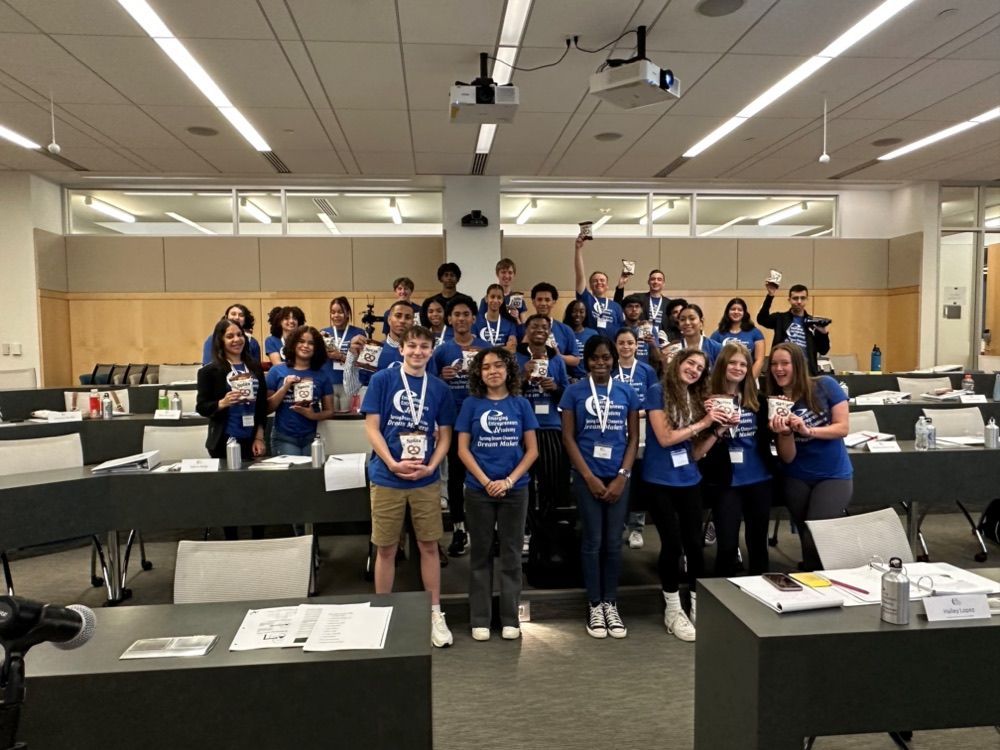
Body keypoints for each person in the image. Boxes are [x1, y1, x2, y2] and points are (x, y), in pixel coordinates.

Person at [361, 325, 456, 648]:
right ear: (401, 349)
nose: (418, 352)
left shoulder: (440, 388)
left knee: (429, 545)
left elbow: (445, 435)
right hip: (388, 476)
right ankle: (381, 612)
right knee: (386, 548)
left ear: (432, 351)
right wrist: (391, 462)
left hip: (425, 478)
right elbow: (372, 428)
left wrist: (432, 465)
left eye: (424, 347)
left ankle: (434, 612)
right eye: (412, 346)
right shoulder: (382, 381)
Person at [456, 347, 539, 641]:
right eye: (486, 366)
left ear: (508, 370)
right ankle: (480, 617)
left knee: (512, 554)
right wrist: (487, 480)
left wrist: (507, 481)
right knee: (479, 553)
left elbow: (532, 451)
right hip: (479, 490)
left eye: (498, 366)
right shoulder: (470, 405)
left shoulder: (521, 405)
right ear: (479, 372)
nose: (493, 371)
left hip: (515, 490)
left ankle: (509, 618)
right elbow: (463, 449)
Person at [560, 335, 639, 639]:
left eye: (606, 357)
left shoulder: (626, 392)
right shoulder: (573, 392)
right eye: (595, 358)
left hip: (618, 476)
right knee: (592, 540)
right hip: (586, 476)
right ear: (587, 360)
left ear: (614, 359)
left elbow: (632, 437)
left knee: (613, 542)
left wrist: (623, 475)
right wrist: (589, 477)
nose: (601, 363)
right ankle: (595, 604)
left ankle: (611, 602)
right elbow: (568, 438)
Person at [643, 348, 725, 642]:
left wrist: (717, 431)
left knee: (695, 545)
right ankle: (672, 609)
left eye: (700, 368)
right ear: (678, 362)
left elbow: (695, 454)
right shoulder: (657, 391)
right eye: (690, 363)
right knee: (672, 545)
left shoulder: (696, 398)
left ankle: (696, 604)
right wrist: (703, 423)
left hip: (689, 479)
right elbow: (665, 439)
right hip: (659, 480)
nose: (694, 369)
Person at [767, 342, 852, 570]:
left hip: (832, 476)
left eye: (785, 363)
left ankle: (822, 580)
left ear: (798, 365)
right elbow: (787, 457)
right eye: (774, 364)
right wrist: (784, 433)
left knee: (817, 533)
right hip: (796, 476)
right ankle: (812, 578)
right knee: (806, 533)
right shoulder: (775, 401)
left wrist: (808, 431)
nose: (779, 369)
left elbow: (842, 428)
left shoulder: (825, 385)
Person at [699, 343, 774, 576]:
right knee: (727, 544)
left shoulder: (759, 401)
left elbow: (769, 436)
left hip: (759, 478)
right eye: (732, 362)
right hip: (726, 480)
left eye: (743, 364)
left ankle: (763, 596)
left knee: (758, 543)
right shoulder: (706, 399)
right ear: (722, 364)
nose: (738, 368)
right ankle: (723, 600)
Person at [196, 318, 267, 540]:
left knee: (255, 494)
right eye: (230, 336)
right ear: (220, 340)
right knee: (229, 495)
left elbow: (262, 404)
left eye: (239, 335)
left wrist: (259, 436)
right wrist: (222, 403)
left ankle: (258, 540)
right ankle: (232, 541)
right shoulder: (209, 371)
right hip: (223, 441)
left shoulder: (255, 367)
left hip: (250, 439)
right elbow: (202, 407)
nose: (236, 340)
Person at [433, 298, 491, 557]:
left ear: (474, 318)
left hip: (483, 423)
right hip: (454, 423)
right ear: (449, 319)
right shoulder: (442, 351)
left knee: (485, 475)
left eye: (466, 314)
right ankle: (459, 529)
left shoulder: (486, 349)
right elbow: (430, 386)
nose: (461, 319)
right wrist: (440, 376)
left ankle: (490, 529)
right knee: (456, 480)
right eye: (456, 314)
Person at [516, 315, 571, 540]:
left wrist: (554, 387)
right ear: (527, 330)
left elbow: (566, 398)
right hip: (522, 428)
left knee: (550, 480)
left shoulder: (556, 360)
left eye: (544, 327)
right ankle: (527, 529)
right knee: (524, 481)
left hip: (549, 427)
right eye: (535, 326)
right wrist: (522, 377)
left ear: (549, 332)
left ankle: (546, 528)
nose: (540, 330)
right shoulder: (515, 358)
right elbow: (505, 393)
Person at [613, 327, 658, 551]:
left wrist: (636, 413)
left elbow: (653, 400)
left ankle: (636, 528)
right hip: (614, 425)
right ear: (616, 346)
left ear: (636, 345)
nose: (626, 347)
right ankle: (618, 523)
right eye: (621, 343)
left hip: (641, 423)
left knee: (638, 477)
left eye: (630, 342)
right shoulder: (610, 369)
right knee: (620, 473)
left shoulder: (647, 370)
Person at [265, 325, 334, 456]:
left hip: (313, 438)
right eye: (301, 341)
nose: (305, 346)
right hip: (284, 437)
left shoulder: (322, 375)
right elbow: (267, 408)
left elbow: (330, 411)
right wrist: (285, 387)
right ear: (293, 343)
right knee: (293, 476)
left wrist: (312, 415)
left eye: (311, 343)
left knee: (312, 476)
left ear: (317, 348)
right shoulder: (277, 371)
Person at [344, 301, 437, 396]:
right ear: (389, 320)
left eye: (408, 317)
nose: (402, 321)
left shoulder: (422, 354)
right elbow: (351, 390)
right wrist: (352, 355)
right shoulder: (374, 350)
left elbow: (432, 390)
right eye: (398, 315)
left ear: (413, 322)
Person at [757, 282, 830, 376]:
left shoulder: (813, 322)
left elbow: (824, 350)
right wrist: (770, 296)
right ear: (789, 300)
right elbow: (761, 319)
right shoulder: (780, 318)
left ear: (807, 300)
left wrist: (823, 334)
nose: (799, 301)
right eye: (795, 298)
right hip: (782, 371)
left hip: (806, 373)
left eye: (802, 298)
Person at [321, 297, 364, 412]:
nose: (336, 315)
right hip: (328, 382)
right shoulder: (324, 333)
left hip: (349, 385)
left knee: (348, 422)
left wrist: (341, 357)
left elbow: (363, 363)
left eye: (340, 312)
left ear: (347, 313)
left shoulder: (358, 333)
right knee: (330, 421)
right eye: (333, 312)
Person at [574, 234, 624, 332]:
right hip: (591, 344)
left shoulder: (615, 306)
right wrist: (578, 249)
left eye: (602, 280)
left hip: (611, 346)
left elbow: (621, 329)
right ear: (590, 285)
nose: (599, 282)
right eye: (595, 281)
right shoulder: (587, 299)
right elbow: (580, 276)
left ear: (607, 286)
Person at [529, 282, 579, 372]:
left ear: (554, 302)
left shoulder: (566, 330)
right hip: (530, 380)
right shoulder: (524, 328)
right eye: (539, 299)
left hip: (557, 382)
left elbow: (575, 360)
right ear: (533, 302)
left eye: (547, 300)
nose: (543, 303)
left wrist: (558, 356)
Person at [710, 298, 766, 378]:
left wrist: (750, 381)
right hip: (724, 379)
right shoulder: (717, 334)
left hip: (749, 377)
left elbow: (759, 360)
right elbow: (712, 361)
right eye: (733, 309)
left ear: (744, 313)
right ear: (727, 312)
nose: (736, 312)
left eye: (740, 310)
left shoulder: (755, 333)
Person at [614, 267, 670, 334]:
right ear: (648, 282)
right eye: (653, 279)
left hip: (663, 341)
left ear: (663, 283)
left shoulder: (669, 303)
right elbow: (617, 305)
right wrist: (621, 285)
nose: (656, 281)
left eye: (659, 279)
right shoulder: (638, 297)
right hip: (640, 337)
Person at [420, 262, 475, 328]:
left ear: (457, 279)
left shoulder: (466, 300)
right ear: (440, 278)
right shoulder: (430, 302)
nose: (449, 278)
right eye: (446, 275)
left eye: (452, 275)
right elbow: (425, 325)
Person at [668, 304, 722, 369]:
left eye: (692, 318)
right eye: (682, 319)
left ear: (701, 322)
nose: (687, 322)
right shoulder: (673, 349)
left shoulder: (716, 348)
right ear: (679, 325)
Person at [478, 258, 528, 323]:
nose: (507, 276)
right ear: (497, 274)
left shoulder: (518, 299)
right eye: (503, 272)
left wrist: (517, 318)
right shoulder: (487, 300)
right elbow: (480, 323)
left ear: (514, 275)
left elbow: (524, 326)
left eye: (510, 273)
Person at [562, 299, 597, 380]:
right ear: (569, 313)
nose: (578, 314)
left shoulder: (592, 334)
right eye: (574, 311)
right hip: (567, 379)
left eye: (581, 311)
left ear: (586, 314)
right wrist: (568, 378)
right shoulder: (562, 333)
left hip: (588, 378)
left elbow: (596, 357)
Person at [477, 283, 519, 350]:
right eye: (492, 297)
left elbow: (512, 348)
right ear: (486, 298)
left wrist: (484, 350)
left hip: (502, 359)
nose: (495, 300)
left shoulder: (510, 323)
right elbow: (472, 348)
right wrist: (504, 349)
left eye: (499, 297)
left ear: (502, 300)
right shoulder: (476, 322)